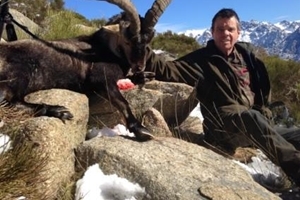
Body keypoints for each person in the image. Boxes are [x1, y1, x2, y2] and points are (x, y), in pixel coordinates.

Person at [141, 8, 300, 185]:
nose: (225, 33)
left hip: (258, 124)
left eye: (230, 29)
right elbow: (163, 69)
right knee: (251, 118)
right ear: (212, 32)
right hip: (223, 130)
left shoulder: (250, 60)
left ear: (238, 32)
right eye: (220, 29)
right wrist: (141, 43)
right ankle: (297, 169)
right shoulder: (200, 61)